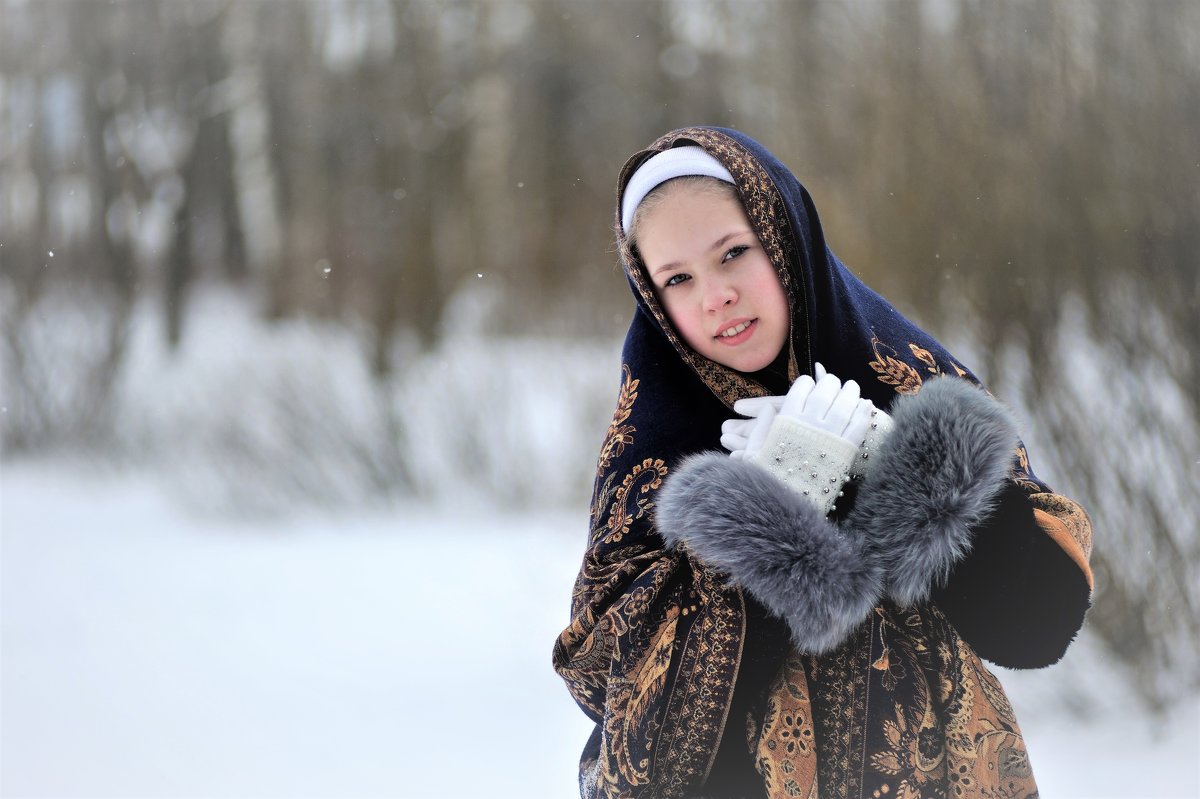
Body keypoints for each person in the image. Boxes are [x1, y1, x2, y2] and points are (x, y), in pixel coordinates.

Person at [552, 127, 1094, 799]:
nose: (714, 294)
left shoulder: (909, 383)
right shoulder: (649, 453)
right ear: (652, 296)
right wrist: (769, 527)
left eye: (734, 253)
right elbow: (616, 709)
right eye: (678, 278)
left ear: (784, 238)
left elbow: (1040, 619)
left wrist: (883, 474)